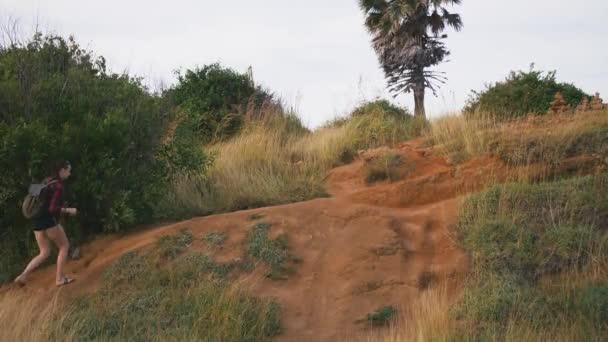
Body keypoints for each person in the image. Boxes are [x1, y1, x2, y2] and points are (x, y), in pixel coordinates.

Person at [14, 161, 78, 287]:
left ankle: (23, 275)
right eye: (68, 171)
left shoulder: (46, 181)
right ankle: (59, 279)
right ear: (62, 170)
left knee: (44, 252)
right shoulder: (58, 186)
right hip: (49, 221)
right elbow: (53, 209)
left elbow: (32, 192)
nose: (69, 174)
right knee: (64, 246)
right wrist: (68, 210)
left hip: (36, 222)